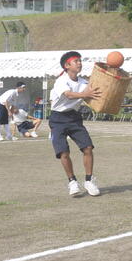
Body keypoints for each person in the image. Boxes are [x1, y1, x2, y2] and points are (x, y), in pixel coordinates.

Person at [49, 51, 102, 196]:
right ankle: (72, 182)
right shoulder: (61, 80)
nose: (79, 63)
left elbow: (94, 95)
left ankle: (89, 181)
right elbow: (69, 94)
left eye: (80, 61)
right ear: (67, 65)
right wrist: (86, 94)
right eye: (76, 61)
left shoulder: (84, 83)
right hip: (57, 119)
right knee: (63, 152)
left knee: (88, 148)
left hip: (74, 118)